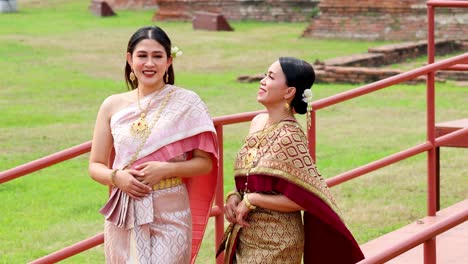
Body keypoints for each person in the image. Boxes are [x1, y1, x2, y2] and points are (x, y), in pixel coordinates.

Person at [88, 26, 218, 263]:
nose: (150, 63)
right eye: (142, 56)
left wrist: (166, 169)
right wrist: (118, 178)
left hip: (171, 209)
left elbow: (204, 163)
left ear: (169, 61)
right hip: (125, 207)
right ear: (130, 59)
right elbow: (95, 165)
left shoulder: (187, 102)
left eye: (157, 56)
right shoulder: (111, 105)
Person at [218, 57, 365, 263]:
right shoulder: (257, 122)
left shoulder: (291, 136)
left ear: (289, 92)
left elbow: (302, 198)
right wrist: (234, 196)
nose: (262, 81)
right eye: (264, 74)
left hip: (278, 242)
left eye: (270, 77)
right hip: (245, 235)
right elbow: (252, 175)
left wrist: (253, 200)